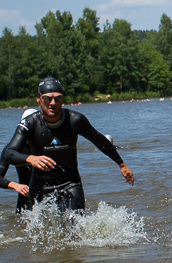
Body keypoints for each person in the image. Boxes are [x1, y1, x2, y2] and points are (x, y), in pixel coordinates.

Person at [3, 77, 134, 213]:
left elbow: (99, 141)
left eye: (57, 98)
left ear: (63, 100)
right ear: (39, 100)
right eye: (47, 98)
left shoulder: (75, 120)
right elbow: (8, 153)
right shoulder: (30, 123)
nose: (52, 103)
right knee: (43, 232)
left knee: (75, 225)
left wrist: (121, 164)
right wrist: (31, 159)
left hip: (70, 182)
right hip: (41, 184)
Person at [0, 109, 35, 213]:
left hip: (47, 197)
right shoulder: (12, 149)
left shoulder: (46, 145)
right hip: (24, 199)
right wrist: (15, 186)